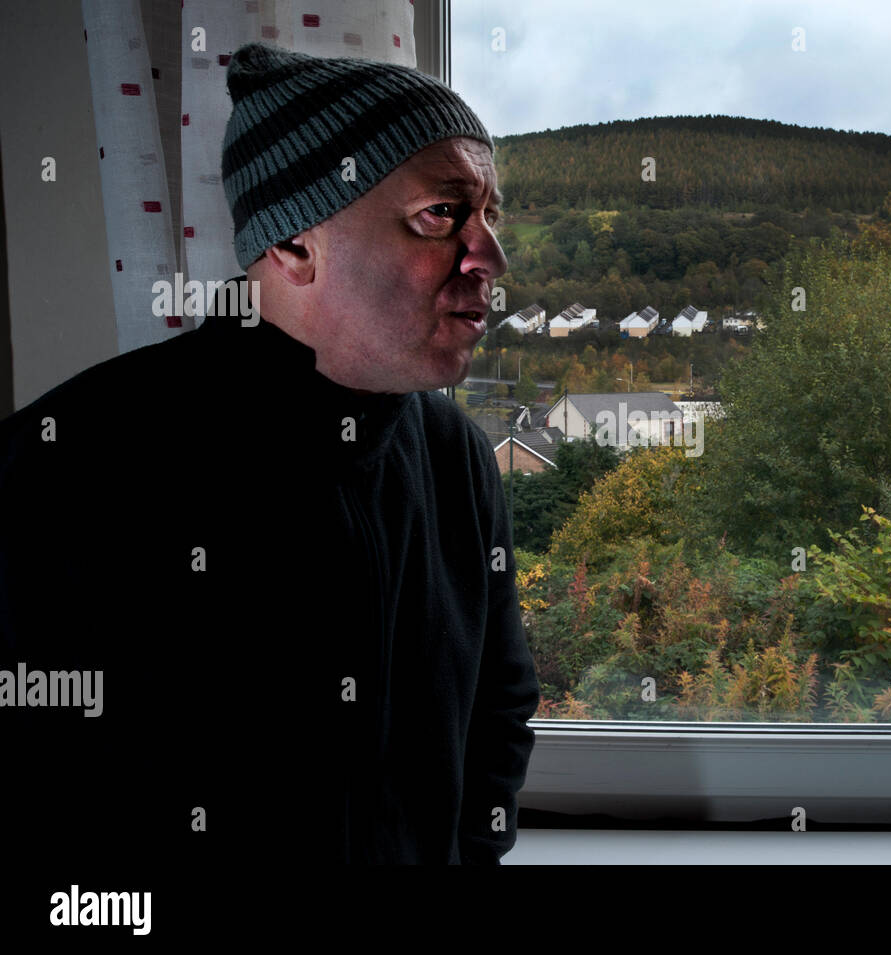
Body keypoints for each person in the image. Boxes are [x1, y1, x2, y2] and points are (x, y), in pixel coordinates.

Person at [0, 42, 539, 865]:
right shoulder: (66, 466)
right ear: (293, 245)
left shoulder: (457, 461)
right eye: (442, 215)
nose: (490, 256)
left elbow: (498, 712)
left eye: (491, 216)